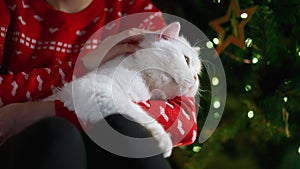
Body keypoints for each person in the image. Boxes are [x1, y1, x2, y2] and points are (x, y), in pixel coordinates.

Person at [0, 0, 198, 168]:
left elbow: (184, 121)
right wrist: (83, 65)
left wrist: (45, 110)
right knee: (58, 136)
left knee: (123, 127)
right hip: (18, 147)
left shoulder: (132, 9)